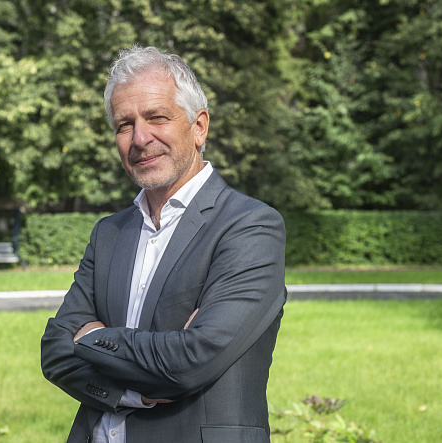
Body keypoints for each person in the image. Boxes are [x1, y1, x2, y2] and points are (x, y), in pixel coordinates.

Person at [41, 45, 287, 443]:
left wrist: (87, 338)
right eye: (124, 125)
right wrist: (132, 391)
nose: (140, 138)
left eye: (157, 117)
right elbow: (54, 351)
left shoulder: (249, 226)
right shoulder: (109, 233)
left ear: (199, 127)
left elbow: (189, 362)